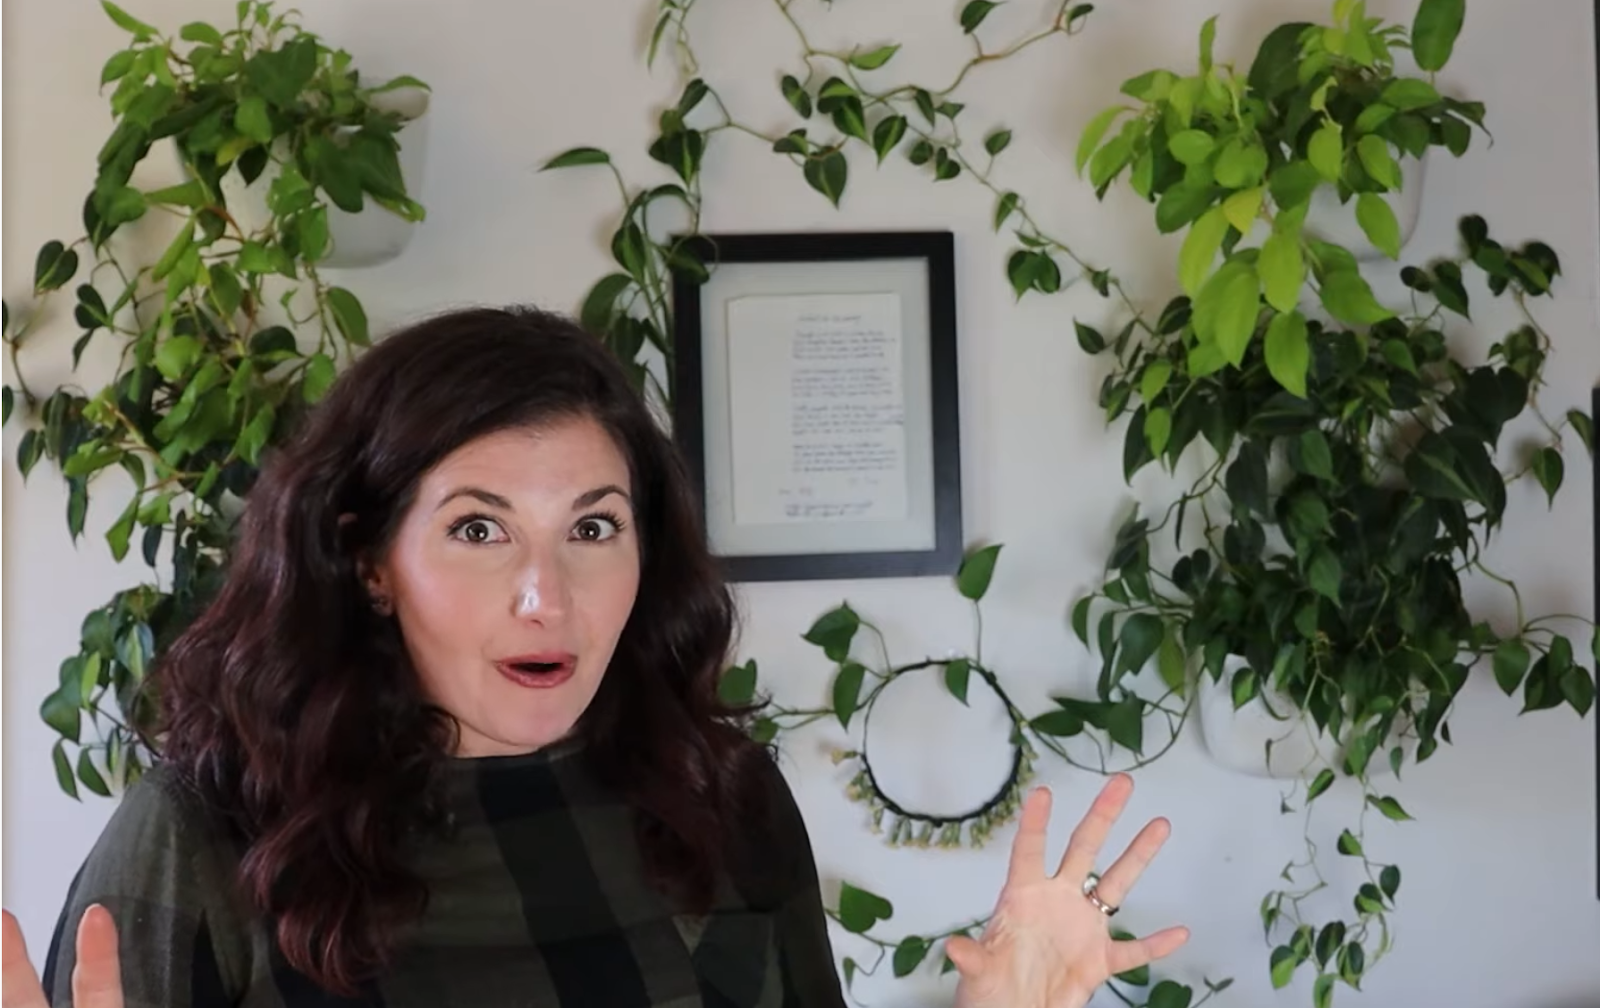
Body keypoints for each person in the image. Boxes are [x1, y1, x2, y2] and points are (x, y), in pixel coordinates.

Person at [0, 305, 1188, 1008]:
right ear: (368, 558)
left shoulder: (719, 801)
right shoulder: (207, 834)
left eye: (592, 527)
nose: (544, 593)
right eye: (477, 529)